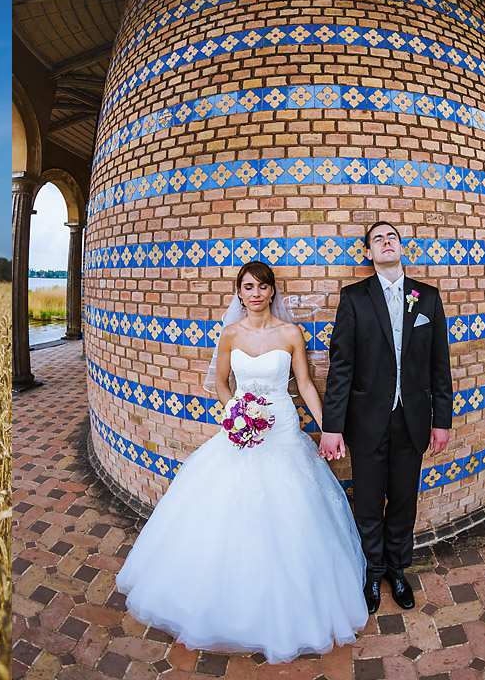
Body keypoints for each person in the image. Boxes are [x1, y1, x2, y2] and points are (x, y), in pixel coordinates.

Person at [116, 261, 368, 664]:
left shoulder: (290, 333)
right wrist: (236, 413)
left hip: (283, 429)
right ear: (239, 293)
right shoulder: (230, 334)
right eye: (247, 287)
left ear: (272, 291)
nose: (254, 293)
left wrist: (327, 430)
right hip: (241, 431)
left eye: (262, 286)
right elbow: (220, 382)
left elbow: (303, 384)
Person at [319, 221, 452, 614]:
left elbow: (439, 364)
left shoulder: (426, 297)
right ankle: (372, 571)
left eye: (391, 236)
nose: (386, 241)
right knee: (369, 500)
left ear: (402, 246)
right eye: (377, 239)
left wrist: (440, 419)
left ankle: (397, 570)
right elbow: (341, 366)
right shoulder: (354, 298)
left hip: (412, 419)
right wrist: (332, 427)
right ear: (368, 253)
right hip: (366, 421)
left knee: (404, 501)